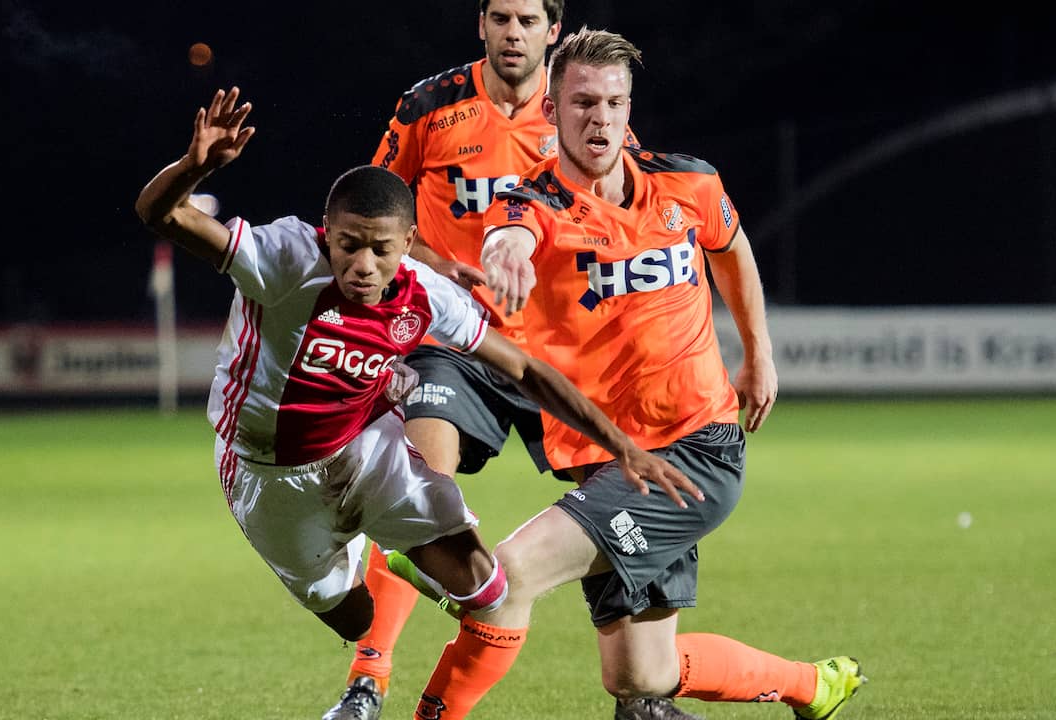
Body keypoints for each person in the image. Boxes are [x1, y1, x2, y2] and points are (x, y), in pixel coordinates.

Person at [133, 86, 701, 720]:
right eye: (349, 244)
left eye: (382, 249)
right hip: (268, 473)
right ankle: (371, 556)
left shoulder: (427, 293)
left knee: (486, 589)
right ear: (328, 232)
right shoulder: (284, 259)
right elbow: (160, 215)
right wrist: (194, 168)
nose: (364, 266)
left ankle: (401, 556)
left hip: (368, 448)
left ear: (409, 243)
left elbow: (526, 370)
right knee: (357, 618)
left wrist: (622, 446)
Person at [390, 29, 867, 720]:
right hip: (611, 461)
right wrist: (507, 254)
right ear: (550, 112)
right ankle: (811, 686)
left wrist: (758, 351)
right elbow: (509, 230)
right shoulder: (534, 205)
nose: (600, 118)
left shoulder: (689, 183)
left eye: (614, 102)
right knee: (642, 675)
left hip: (694, 454)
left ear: (630, 106)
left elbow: (731, 247)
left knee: (508, 576)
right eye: (582, 102)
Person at [325, 2, 640, 718]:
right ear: (481, 23)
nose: (513, 32)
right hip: (452, 342)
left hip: (555, 349)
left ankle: (638, 682)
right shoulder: (430, 106)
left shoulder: (579, 112)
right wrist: (439, 270)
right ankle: (367, 682)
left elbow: (624, 217)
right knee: (418, 482)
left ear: (553, 29)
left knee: (623, 496)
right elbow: (373, 212)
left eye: (529, 18)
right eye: (501, 16)